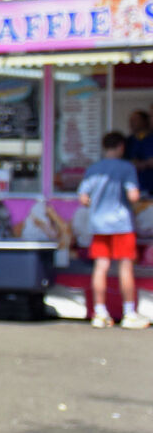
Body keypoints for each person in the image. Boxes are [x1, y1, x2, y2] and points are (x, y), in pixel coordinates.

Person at [77, 131, 146, 329]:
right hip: (121, 224)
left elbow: (83, 198)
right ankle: (129, 313)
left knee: (101, 267)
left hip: (99, 225)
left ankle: (99, 313)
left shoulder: (94, 168)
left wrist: (96, 203)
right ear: (121, 147)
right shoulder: (127, 167)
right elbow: (133, 196)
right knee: (125, 267)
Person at [127, 108, 153, 191]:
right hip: (134, 187)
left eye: (135, 120)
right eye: (131, 120)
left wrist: (144, 164)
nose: (131, 123)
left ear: (145, 121)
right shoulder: (128, 141)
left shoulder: (150, 139)